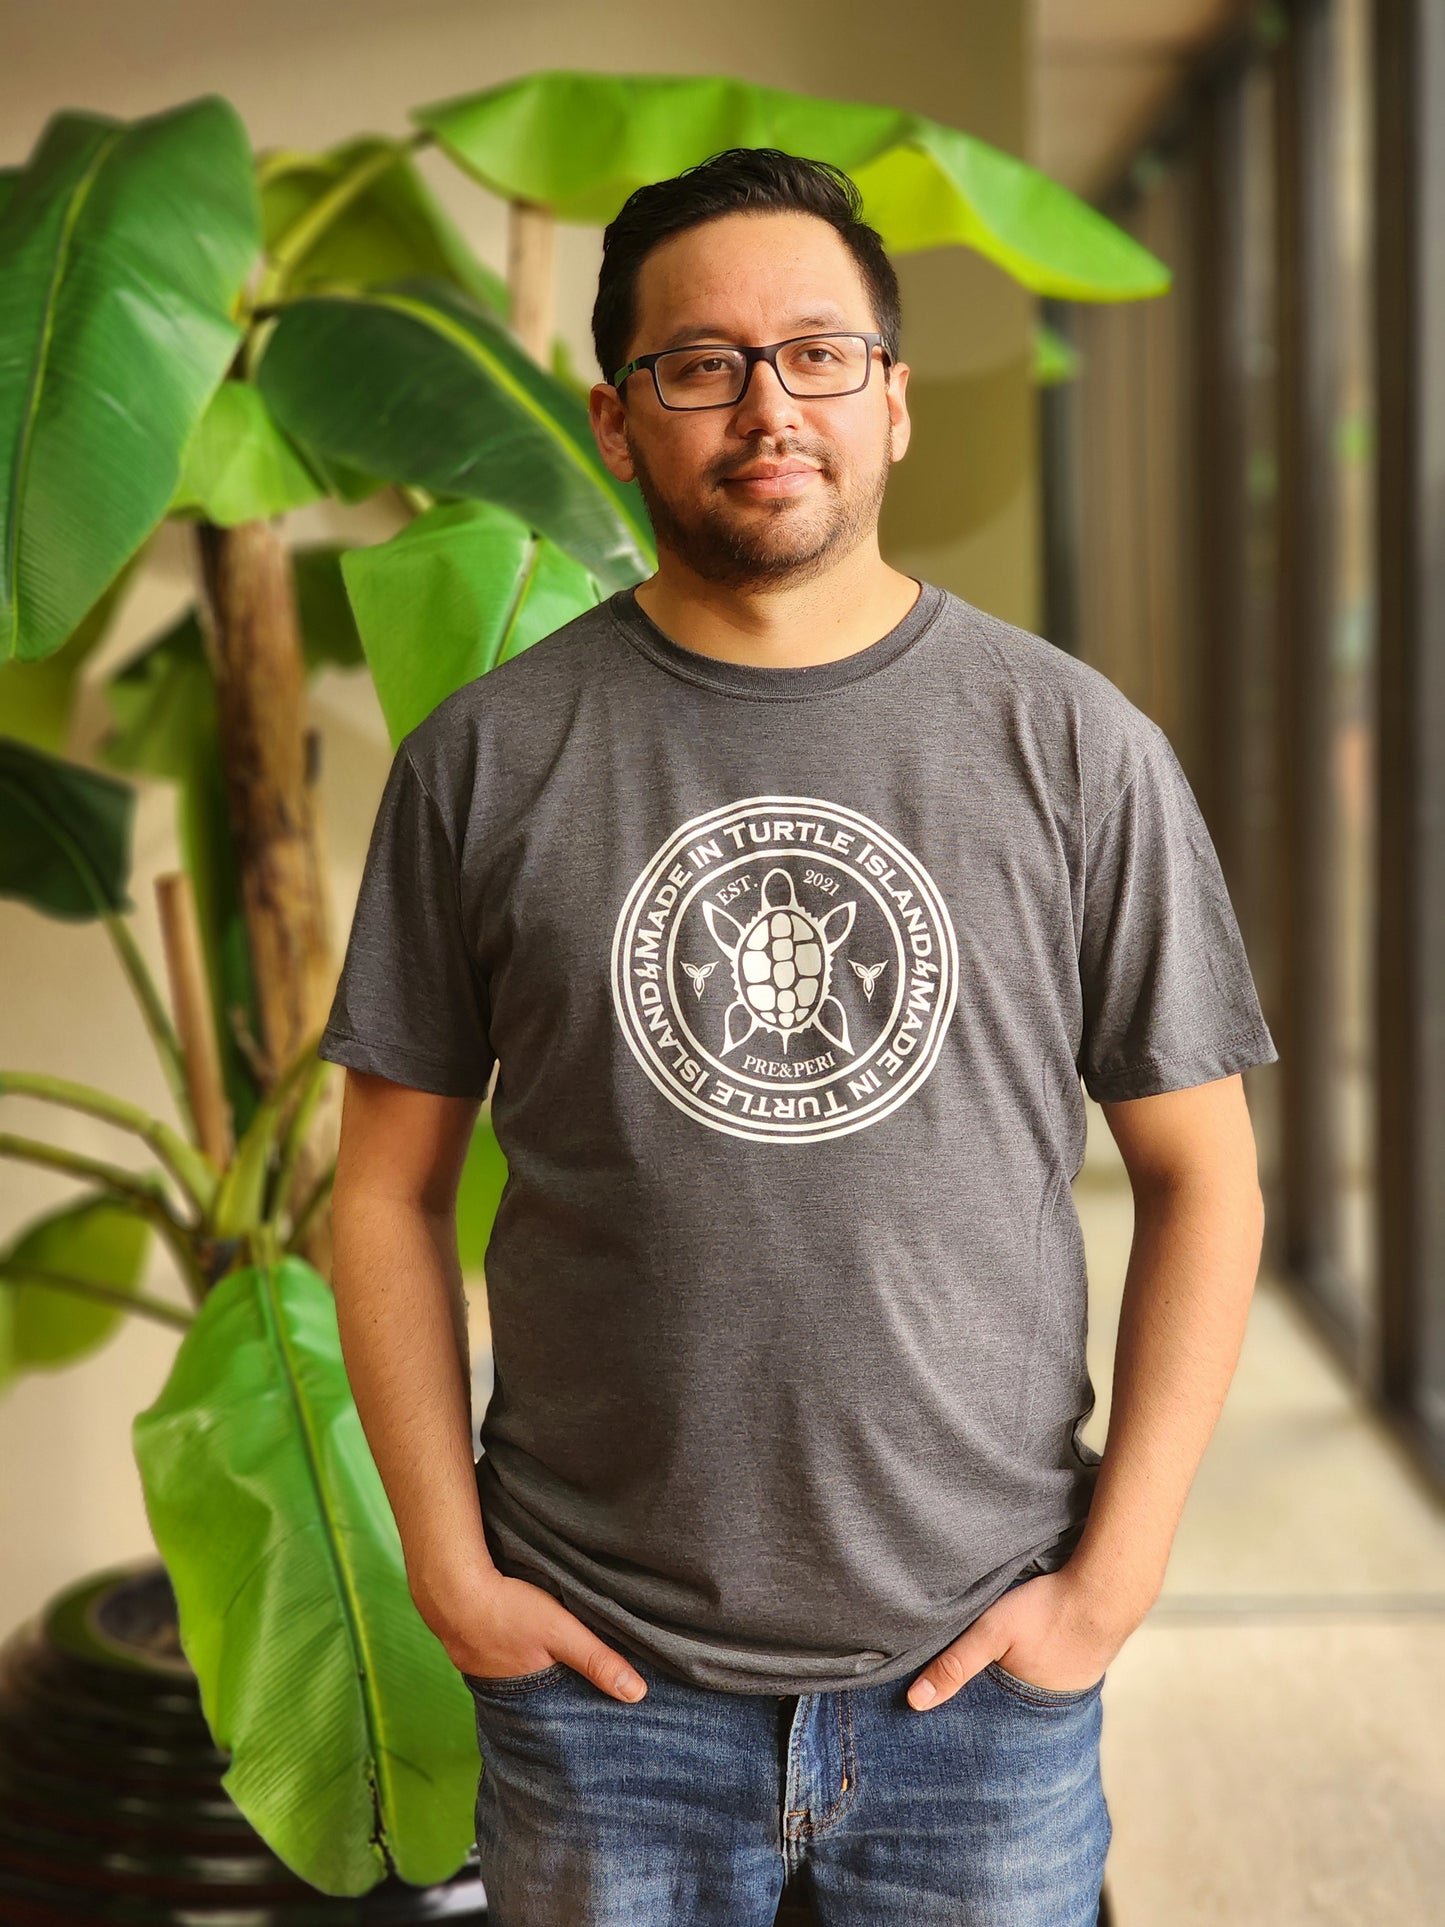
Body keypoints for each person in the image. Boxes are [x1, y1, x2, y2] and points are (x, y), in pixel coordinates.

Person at [316, 147, 1278, 1926]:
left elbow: (1204, 1174)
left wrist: (1107, 1587)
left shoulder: (1073, 747)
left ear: (893, 401)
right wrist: (448, 1572)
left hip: (975, 1686)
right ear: (616, 420)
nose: (766, 405)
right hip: (603, 1693)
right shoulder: (489, 757)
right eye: (699, 363)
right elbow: (379, 1189)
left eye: (818, 353)